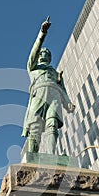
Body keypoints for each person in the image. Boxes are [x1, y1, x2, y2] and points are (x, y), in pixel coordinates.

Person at [22, 16, 75, 154]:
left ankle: (51, 155)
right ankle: (32, 156)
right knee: (35, 126)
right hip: (39, 95)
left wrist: (68, 102)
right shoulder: (33, 67)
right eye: (42, 52)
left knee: (53, 124)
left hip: (55, 95)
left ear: (50, 57)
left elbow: (63, 89)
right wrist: (42, 34)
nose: (44, 53)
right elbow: (33, 52)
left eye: (47, 53)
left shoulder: (56, 73)